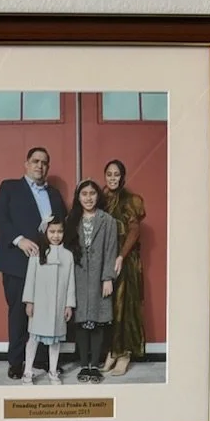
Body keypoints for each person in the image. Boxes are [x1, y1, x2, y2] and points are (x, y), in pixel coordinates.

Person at [0, 147, 67, 380]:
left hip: (47, 265)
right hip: (17, 262)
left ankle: (43, 361)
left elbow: (63, 224)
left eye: (44, 162)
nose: (39, 166)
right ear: (26, 164)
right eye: (35, 161)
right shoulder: (9, 187)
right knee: (19, 313)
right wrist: (19, 240)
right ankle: (16, 363)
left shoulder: (54, 194)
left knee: (46, 311)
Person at [67, 179, 118, 381]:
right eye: (84, 194)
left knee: (97, 320)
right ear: (78, 198)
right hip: (77, 278)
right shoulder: (71, 220)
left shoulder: (108, 221)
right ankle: (83, 365)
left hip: (98, 278)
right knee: (81, 321)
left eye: (92, 193)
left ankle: (94, 364)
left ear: (98, 196)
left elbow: (111, 250)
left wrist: (108, 278)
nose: (88, 198)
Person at [102, 158, 147, 375]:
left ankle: (125, 353)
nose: (112, 178)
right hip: (105, 259)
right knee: (108, 307)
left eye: (116, 174)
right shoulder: (100, 198)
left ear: (123, 177)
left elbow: (134, 230)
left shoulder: (131, 200)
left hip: (126, 261)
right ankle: (112, 350)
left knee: (124, 306)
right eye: (109, 174)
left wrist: (121, 255)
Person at [20, 217, 76, 383]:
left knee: (55, 340)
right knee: (33, 338)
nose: (56, 235)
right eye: (52, 232)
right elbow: (30, 279)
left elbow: (71, 282)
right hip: (40, 303)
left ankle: (53, 371)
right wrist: (29, 302)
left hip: (58, 305)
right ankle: (28, 371)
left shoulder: (68, 255)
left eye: (59, 232)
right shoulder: (38, 253)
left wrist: (69, 305)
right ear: (45, 232)